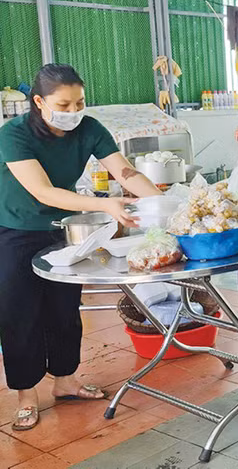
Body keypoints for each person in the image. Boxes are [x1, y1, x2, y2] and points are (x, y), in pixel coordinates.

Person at [0, 64, 162, 431]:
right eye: (64, 104)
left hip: (63, 227)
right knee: (19, 311)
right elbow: (42, 191)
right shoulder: (14, 134)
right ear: (39, 101)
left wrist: (166, 204)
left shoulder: (89, 129)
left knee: (64, 307)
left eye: (80, 103)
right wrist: (105, 205)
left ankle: (65, 381)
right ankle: (27, 394)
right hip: (15, 230)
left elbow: (125, 172)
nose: (74, 112)